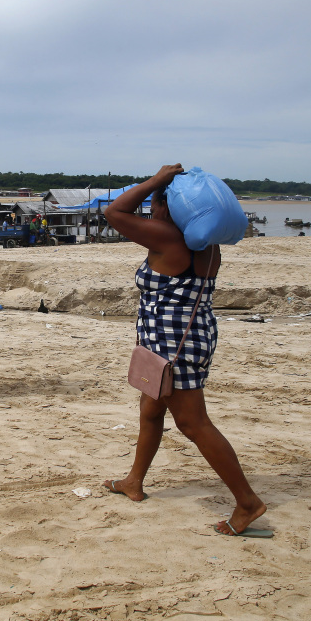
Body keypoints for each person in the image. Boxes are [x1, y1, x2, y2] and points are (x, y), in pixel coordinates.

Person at [101, 164, 267, 537]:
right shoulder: (206, 246)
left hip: (173, 344)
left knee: (193, 423)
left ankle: (247, 502)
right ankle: (134, 481)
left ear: (168, 206)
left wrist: (158, 180)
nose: (152, 213)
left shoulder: (168, 238)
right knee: (151, 409)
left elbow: (114, 212)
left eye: (156, 205)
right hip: (186, 336)